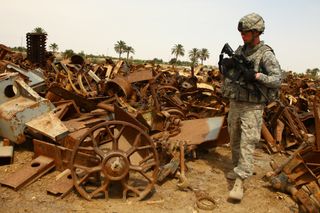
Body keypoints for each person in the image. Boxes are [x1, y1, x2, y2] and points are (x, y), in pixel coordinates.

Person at [220, 13, 282, 201]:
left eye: (246, 32)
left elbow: (277, 79)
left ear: (256, 32)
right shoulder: (240, 50)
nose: (242, 35)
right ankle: (237, 168)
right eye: (241, 32)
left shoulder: (265, 54)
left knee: (248, 141)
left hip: (252, 106)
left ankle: (240, 180)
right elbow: (232, 72)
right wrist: (228, 65)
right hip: (236, 102)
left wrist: (256, 76)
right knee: (235, 138)